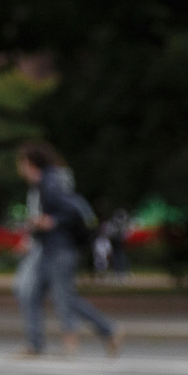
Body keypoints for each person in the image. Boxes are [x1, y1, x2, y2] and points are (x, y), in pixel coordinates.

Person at [14, 144, 116, 355]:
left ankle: (79, 339)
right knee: (30, 292)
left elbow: (70, 212)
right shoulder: (44, 183)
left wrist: (51, 221)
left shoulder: (51, 183)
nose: (20, 169)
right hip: (48, 248)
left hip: (59, 248)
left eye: (22, 163)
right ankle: (37, 343)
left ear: (30, 163)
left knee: (62, 296)